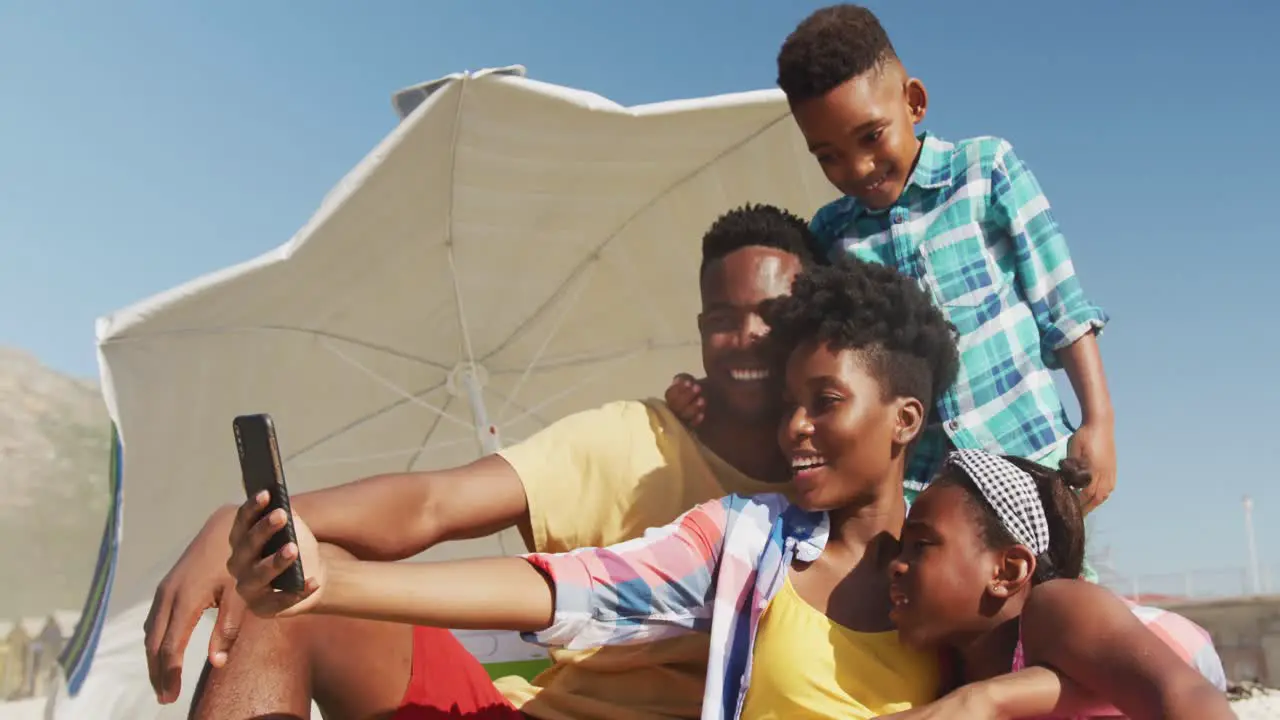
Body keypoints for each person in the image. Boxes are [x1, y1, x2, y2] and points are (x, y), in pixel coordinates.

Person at [143, 204, 814, 720]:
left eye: (773, 314)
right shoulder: (636, 439)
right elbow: (433, 504)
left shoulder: (839, 496)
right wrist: (251, 522)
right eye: (723, 317)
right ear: (699, 330)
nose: (747, 336)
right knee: (283, 581)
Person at [229, 255, 966, 719]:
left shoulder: (964, 556)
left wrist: (987, 699)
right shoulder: (748, 540)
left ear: (905, 419)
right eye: (791, 403)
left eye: (826, 402)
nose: (795, 427)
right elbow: (568, 588)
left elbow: (1056, 665)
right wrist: (328, 584)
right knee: (278, 614)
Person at [668, 4, 1116, 580]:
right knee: (953, 647)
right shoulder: (831, 236)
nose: (856, 167)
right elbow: (803, 362)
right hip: (925, 498)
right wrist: (708, 395)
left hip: (1034, 463)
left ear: (914, 102)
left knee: (1064, 614)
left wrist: (1097, 422)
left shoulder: (985, 171)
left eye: (870, 136)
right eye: (827, 155)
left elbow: (1063, 306)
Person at [882, 450, 1231, 719]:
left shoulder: (1056, 607)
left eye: (921, 545)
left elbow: (1185, 694)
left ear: (1007, 571)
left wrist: (981, 700)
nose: (895, 566)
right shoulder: (951, 666)